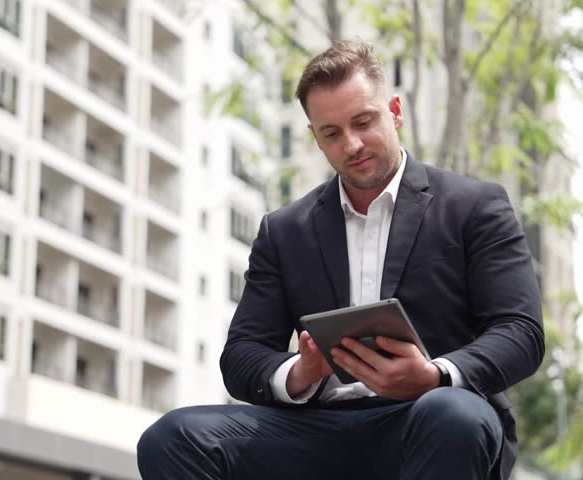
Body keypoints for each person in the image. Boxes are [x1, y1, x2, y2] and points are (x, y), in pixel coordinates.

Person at [137, 39, 544, 480]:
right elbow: (241, 356)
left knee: (453, 415)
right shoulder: (285, 231)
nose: (351, 144)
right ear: (315, 138)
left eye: (363, 122)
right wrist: (298, 371)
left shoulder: (474, 206)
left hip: (433, 418)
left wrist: (434, 376)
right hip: (319, 432)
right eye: (332, 133)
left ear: (394, 111)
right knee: (172, 438)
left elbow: (520, 332)